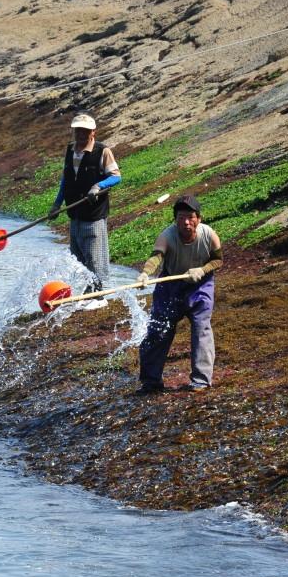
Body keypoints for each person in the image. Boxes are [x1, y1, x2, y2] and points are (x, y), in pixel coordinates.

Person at [135, 195, 223, 394]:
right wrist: (144, 274)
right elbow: (156, 257)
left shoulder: (209, 235)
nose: (186, 222)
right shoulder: (167, 235)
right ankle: (151, 381)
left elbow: (218, 260)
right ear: (175, 219)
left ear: (198, 219)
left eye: (191, 217)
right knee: (158, 331)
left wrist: (202, 269)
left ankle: (201, 379)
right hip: (170, 286)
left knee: (202, 329)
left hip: (200, 286)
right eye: (181, 217)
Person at [50, 112, 121, 302]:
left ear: (93, 132)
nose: (81, 135)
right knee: (78, 257)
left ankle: (100, 296)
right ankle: (88, 292)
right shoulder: (70, 150)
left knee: (95, 258)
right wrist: (57, 203)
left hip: (94, 215)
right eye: (78, 131)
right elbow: (66, 179)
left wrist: (98, 186)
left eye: (85, 131)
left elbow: (116, 176)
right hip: (75, 213)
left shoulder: (102, 152)